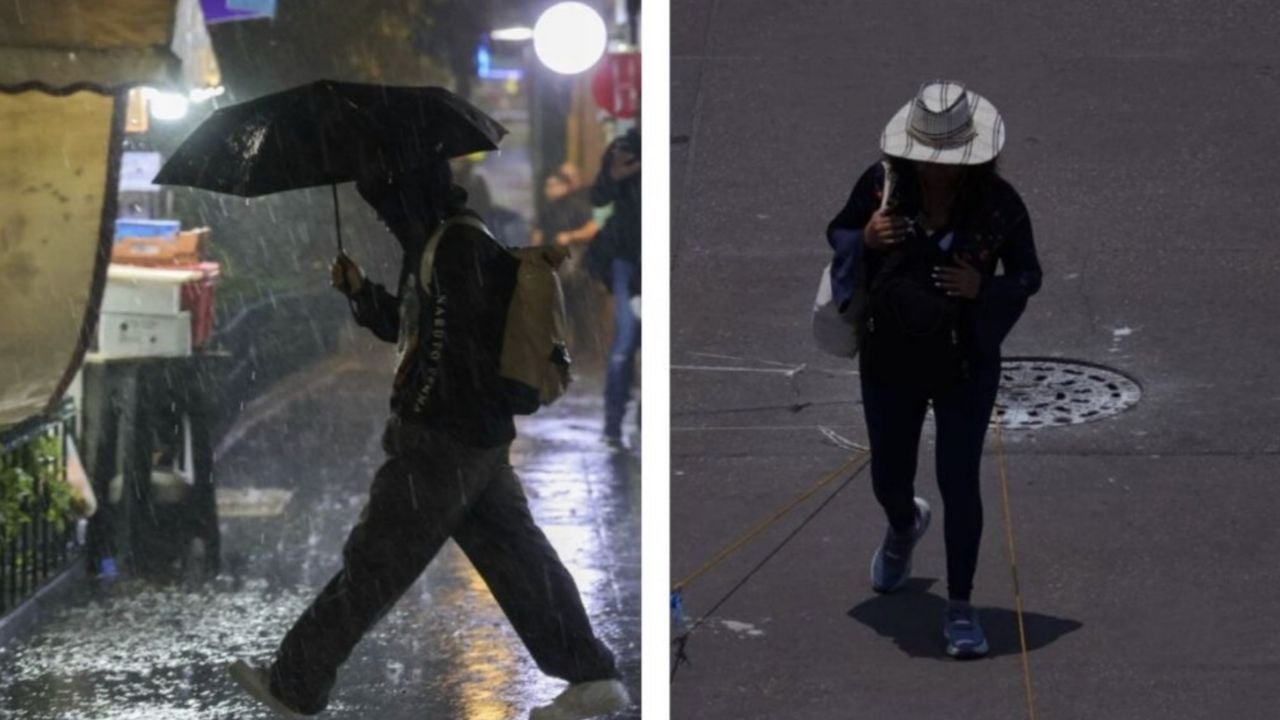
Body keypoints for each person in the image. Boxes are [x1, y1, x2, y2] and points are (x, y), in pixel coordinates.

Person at [228, 157, 630, 719]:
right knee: (519, 562)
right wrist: (361, 292)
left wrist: (413, 416)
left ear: (409, 195)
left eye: (386, 204)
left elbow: (449, 351)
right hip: (476, 443)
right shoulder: (444, 240)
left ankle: (295, 682)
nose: (385, 218)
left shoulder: (456, 248)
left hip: (445, 443)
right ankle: (591, 674)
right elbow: (412, 327)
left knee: (374, 563)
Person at [826, 81, 1041, 659]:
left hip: (964, 363)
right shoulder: (881, 184)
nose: (936, 170)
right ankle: (902, 525)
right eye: (927, 159)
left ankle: (962, 607)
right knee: (889, 477)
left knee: (959, 480)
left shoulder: (1000, 204)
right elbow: (839, 234)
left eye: (949, 161)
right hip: (890, 358)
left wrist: (985, 287)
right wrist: (865, 238)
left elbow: (1028, 276)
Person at [586, 129, 641, 445]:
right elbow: (598, 196)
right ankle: (613, 424)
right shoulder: (626, 147)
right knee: (625, 342)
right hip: (627, 259)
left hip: (646, 258)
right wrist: (615, 174)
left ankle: (639, 420)